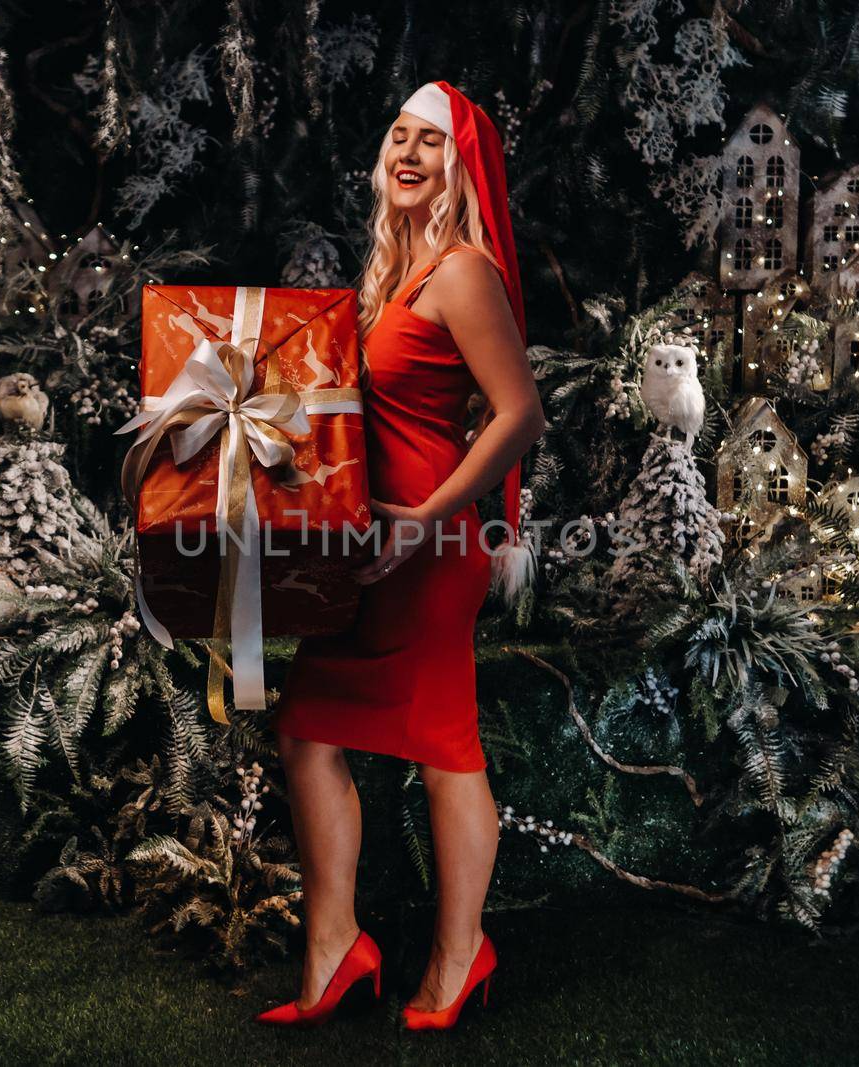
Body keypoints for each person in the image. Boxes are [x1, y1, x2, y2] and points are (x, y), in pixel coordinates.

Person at [255, 79, 545, 1031]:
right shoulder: (397, 276)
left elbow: (518, 416)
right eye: (396, 138)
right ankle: (335, 948)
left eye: (429, 141)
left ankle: (462, 957)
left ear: (456, 165)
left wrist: (427, 517)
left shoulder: (463, 271)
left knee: (446, 753)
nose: (407, 153)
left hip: (430, 541)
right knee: (307, 726)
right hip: (373, 541)